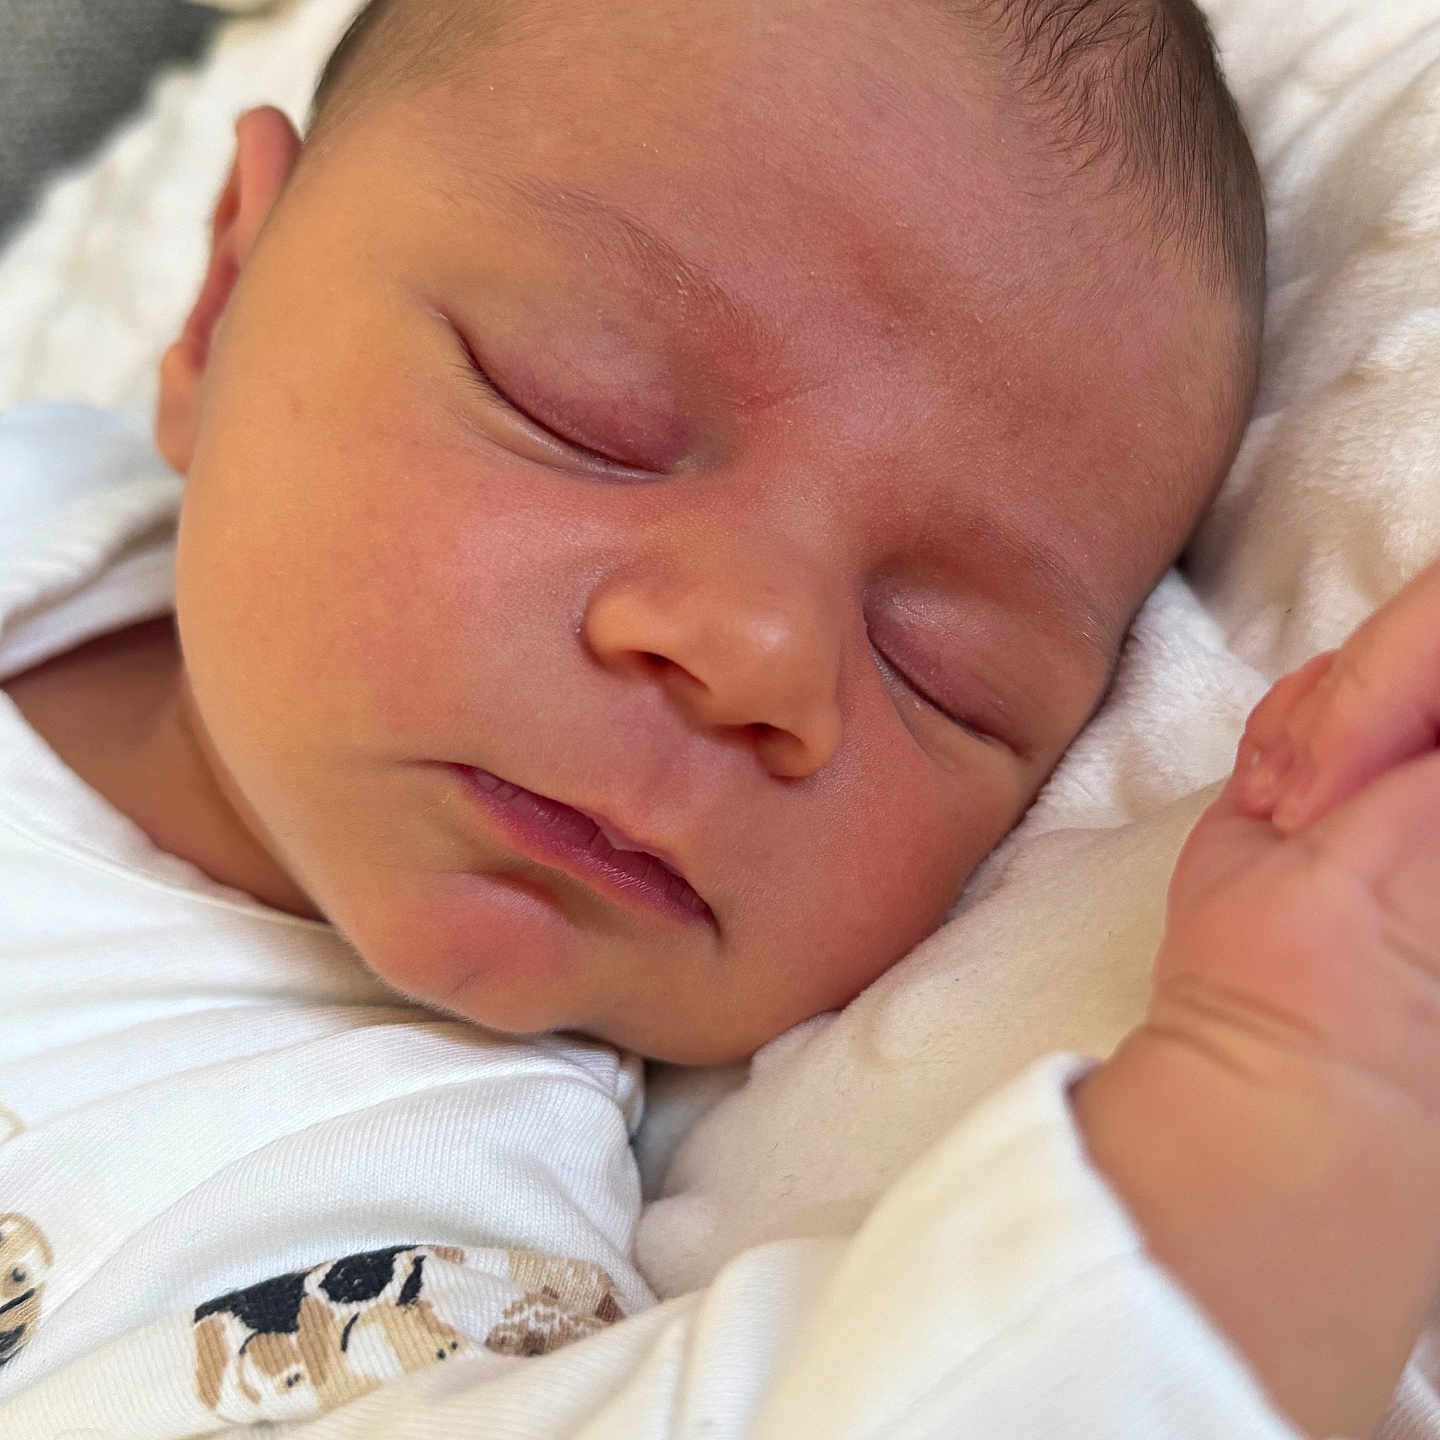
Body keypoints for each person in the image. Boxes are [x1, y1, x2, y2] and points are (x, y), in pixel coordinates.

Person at [9, 0, 1425, 1434]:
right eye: (583, 412)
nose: (756, 653)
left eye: (939, 669)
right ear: (223, 300)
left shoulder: (387, 1230)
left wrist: (1302, 1095)